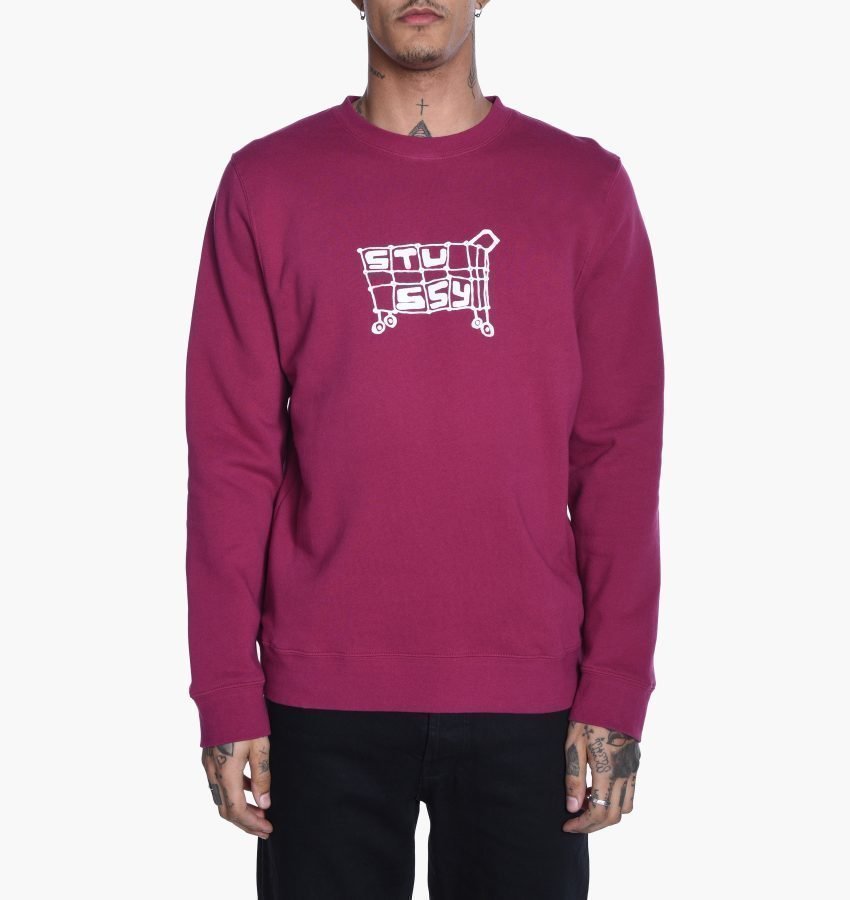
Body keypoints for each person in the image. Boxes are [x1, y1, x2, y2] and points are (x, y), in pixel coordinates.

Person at [184, 1, 664, 897]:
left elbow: (619, 456)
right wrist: (224, 688)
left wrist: (616, 686)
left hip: (532, 694)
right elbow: (229, 455)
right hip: (318, 692)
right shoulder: (267, 184)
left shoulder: (584, 187)